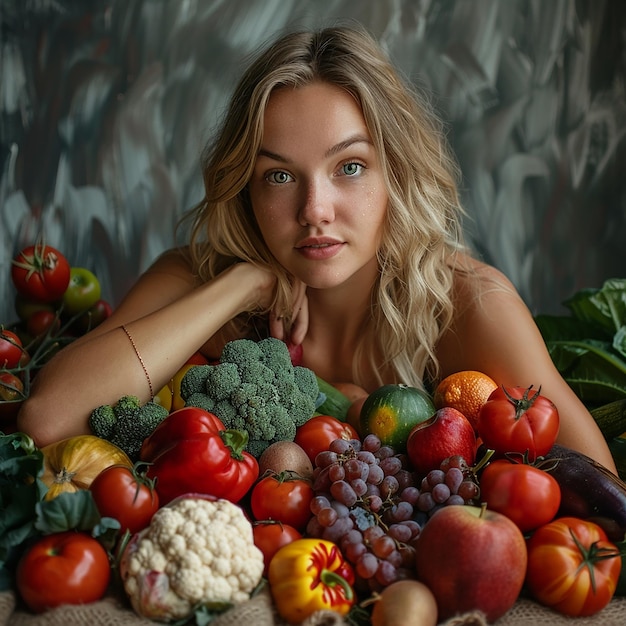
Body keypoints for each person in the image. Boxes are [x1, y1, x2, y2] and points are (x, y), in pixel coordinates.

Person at [17, 24, 617, 473]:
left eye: (349, 167)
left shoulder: (467, 304)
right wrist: (239, 287)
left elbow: (602, 491)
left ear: (397, 176)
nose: (314, 210)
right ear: (244, 187)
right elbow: (47, 420)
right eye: (278, 176)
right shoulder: (196, 278)